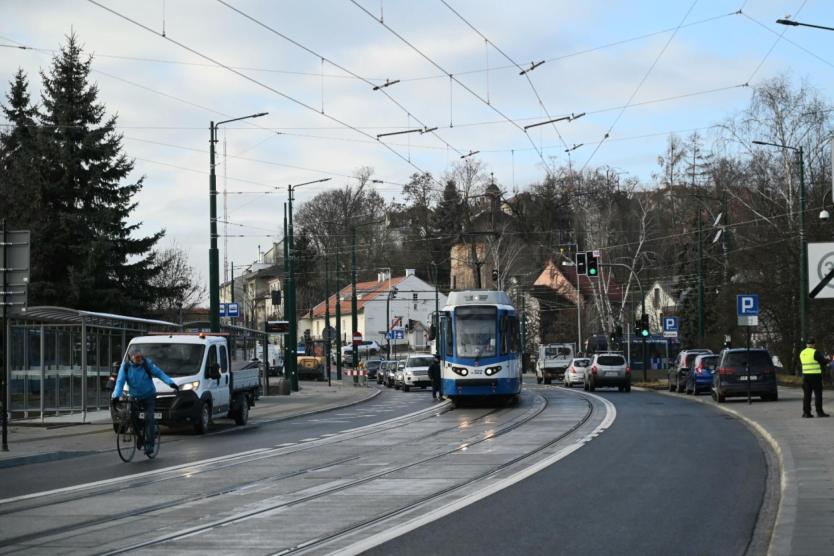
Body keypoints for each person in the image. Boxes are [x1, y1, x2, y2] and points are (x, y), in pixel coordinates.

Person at [111, 345, 179, 454]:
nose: (139, 360)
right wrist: (116, 396)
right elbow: (120, 382)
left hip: (149, 396)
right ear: (131, 358)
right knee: (132, 417)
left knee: (149, 418)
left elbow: (159, 373)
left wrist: (171, 383)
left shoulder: (147, 364)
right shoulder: (126, 367)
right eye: (136, 358)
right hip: (134, 396)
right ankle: (140, 436)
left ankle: (150, 445)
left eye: (140, 357)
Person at [799, 339, 829, 418]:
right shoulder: (815, 352)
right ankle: (819, 412)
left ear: (806, 344)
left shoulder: (802, 353)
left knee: (807, 395)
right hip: (815, 376)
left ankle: (806, 413)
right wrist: (828, 359)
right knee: (818, 394)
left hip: (805, 376)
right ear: (813, 344)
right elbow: (823, 362)